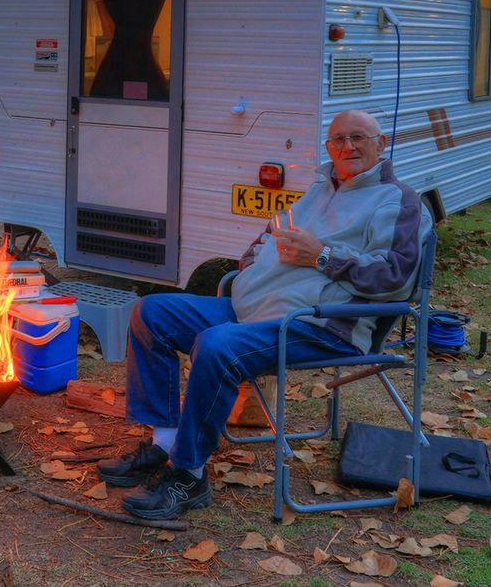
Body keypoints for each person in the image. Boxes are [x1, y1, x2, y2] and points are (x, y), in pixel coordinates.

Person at [98, 109, 433, 520]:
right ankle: (164, 443)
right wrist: (256, 270)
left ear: (381, 144)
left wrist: (323, 257)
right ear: (328, 146)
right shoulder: (318, 191)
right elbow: (262, 242)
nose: (348, 147)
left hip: (319, 323)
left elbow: (396, 278)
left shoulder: (398, 201)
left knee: (217, 344)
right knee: (151, 312)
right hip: (252, 310)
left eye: (359, 138)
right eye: (338, 140)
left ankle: (188, 475)